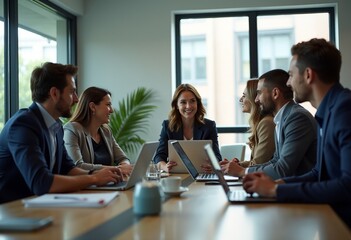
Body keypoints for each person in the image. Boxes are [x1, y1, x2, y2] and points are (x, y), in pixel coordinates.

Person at [243, 38, 351, 228]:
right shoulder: (329, 111)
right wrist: (280, 183)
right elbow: (319, 172)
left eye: (291, 75)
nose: (288, 83)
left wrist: (276, 190)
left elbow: (347, 186)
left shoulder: (345, 111)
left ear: (308, 75)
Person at [0, 62, 122, 204]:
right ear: (54, 93)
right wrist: (94, 179)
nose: (76, 99)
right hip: (12, 211)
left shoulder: (55, 125)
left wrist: (99, 174)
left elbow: (68, 168)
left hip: (39, 205)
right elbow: (41, 182)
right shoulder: (23, 125)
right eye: (72, 92)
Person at [221, 69, 317, 180]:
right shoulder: (282, 118)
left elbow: (283, 169)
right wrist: (239, 168)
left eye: (259, 93)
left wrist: (243, 171)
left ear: (275, 93)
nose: (256, 100)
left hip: (299, 192)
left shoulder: (297, 118)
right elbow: (275, 161)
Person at [63, 87, 132, 177]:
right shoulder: (72, 129)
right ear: (92, 107)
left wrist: (125, 165)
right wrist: (116, 169)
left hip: (106, 185)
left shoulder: (106, 131)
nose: (111, 110)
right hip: (84, 188)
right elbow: (78, 166)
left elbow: (123, 158)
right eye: (108, 105)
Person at [153, 83, 222, 173]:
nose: (188, 106)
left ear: (197, 103)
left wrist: (212, 165)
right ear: (176, 105)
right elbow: (159, 156)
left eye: (192, 101)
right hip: (177, 176)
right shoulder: (168, 126)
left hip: (202, 175)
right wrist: (164, 166)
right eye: (183, 102)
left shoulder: (209, 126)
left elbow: (216, 156)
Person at [238, 79, 275, 167]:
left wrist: (236, 167)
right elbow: (255, 162)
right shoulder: (260, 122)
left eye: (244, 96)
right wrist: (237, 164)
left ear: (253, 98)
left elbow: (258, 164)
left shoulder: (266, 123)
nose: (240, 100)